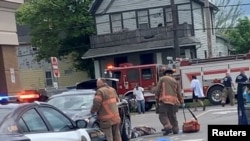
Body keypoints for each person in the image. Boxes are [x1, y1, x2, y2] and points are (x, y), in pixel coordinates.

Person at [155, 69, 184, 136]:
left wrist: (156, 97)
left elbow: (158, 89)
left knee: (162, 115)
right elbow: (179, 93)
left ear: (165, 74)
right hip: (174, 101)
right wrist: (181, 101)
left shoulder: (162, 79)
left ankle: (168, 126)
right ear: (171, 74)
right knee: (172, 116)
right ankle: (175, 129)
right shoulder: (175, 81)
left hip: (165, 100)